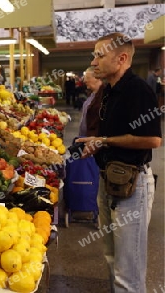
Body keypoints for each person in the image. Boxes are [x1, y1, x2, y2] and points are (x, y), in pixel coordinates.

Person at [77, 32, 162, 293]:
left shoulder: (138, 90)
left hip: (131, 186)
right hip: (109, 181)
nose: (94, 62)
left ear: (121, 58)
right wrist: (97, 142)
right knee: (112, 257)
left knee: (129, 270)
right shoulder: (109, 90)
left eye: (99, 55)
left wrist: (106, 140)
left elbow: (153, 140)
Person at [79, 66, 104, 137]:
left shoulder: (103, 97)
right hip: (86, 139)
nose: (84, 81)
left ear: (97, 78)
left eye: (87, 78)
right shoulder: (92, 95)